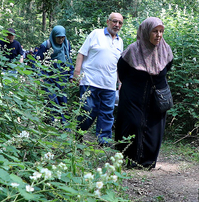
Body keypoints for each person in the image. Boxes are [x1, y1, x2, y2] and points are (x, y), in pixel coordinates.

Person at [115, 17, 174, 169]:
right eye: (155, 31)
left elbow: (167, 68)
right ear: (146, 32)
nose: (158, 35)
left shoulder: (165, 50)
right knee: (133, 124)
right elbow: (122, 70)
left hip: (156, 97)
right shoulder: (132, 50)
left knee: (153, 129)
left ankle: (148, 162)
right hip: (133, 96)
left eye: (161, 31)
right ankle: (129, 159)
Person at [73, 13, 124, 145]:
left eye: (120, 23)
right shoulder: (96, 34)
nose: (117, 25)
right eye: (114, 21)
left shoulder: (120, 41)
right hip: (89, 81)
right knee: (88, 110)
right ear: (108, 21)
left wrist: (120, 81)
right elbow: (81, 53)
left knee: (107, 113)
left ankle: (103, 141)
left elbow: (118, 64)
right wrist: (77, 72)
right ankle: (79, 134)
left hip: (109, 84)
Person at [33, 25, 73, 123]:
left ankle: (64, 123)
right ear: (54, 36)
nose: (61, 40)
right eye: (58, 37)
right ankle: (52, 122)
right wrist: (39, 75)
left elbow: (69, 59)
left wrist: (71, 75)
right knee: (51, 99)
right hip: (48, 76)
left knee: (63, 99)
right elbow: (37, 61)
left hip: (62, 76)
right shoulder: (46, 45)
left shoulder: (66, 44)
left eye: (62, 37)